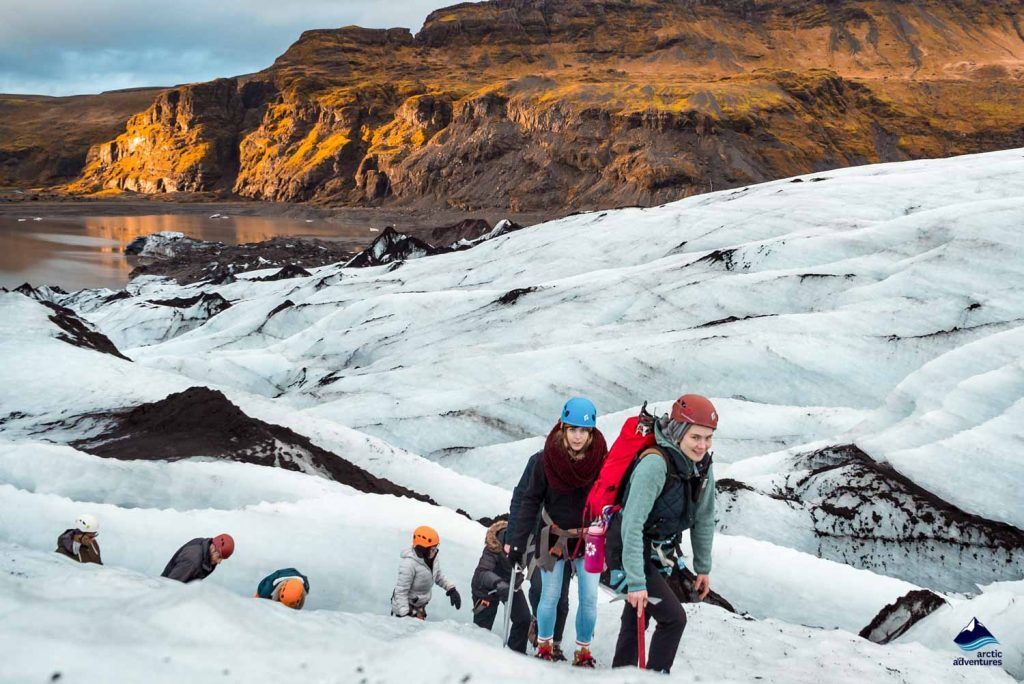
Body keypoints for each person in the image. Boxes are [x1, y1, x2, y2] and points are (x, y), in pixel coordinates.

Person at [610, 394, 718, 673]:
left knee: (638, 616)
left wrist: (702, 567)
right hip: (628, 548)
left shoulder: (703, 466)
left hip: (660, 551)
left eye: (708, 438)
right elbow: (631, 525)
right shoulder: (655, 465)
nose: (703, 445)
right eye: (696, 437)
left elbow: (704, 516)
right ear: (680, 432)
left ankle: (620, 676)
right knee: (673, 619)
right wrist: (635, 581)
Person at [508, 397, 608, 667]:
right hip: (551, 535)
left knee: (589, 598)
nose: (578, 436)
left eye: (584, 430)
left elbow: (613, 500)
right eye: (573, 429)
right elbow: (529, 500)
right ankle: (545, 646)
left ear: (591, 432)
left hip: (590, 538)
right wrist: (516, 543)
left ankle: (583, 651)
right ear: (563, 428)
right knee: (549, 595)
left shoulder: (602, 461)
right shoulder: (546, 461)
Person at [507, 440, 572, 660]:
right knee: (539, 585)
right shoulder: (539, 461)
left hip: (567, 538)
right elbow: (521, 500)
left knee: (561, 597)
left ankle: (555, 643)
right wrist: (514, 538)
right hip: (538, 535)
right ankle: (541, 628)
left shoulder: (582, 466)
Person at [470, 520, 530, 652]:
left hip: (511, 585)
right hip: (486, 589)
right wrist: (499, 583)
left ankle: (516, 654)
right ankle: (478, 655)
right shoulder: (493, 546)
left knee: (524, 619)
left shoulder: (525, 545)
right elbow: (482, 572)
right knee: (482, 629)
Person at [391, 525, 461, 619]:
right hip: (405, 608)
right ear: (422, 550)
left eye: (436, 547)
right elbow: (401, 592)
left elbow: (438, 576)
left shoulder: (432, 558)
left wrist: (451, 589)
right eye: (432, 549)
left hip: (419, 605)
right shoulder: (409, 565)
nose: (435, 551)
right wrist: (405, 615)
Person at [161, 534, 234, 583]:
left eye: (222, 559)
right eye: (219, 557)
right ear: (213, 548)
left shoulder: (204, 546)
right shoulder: (192, 562)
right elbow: (170, 586)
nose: (219, 562)